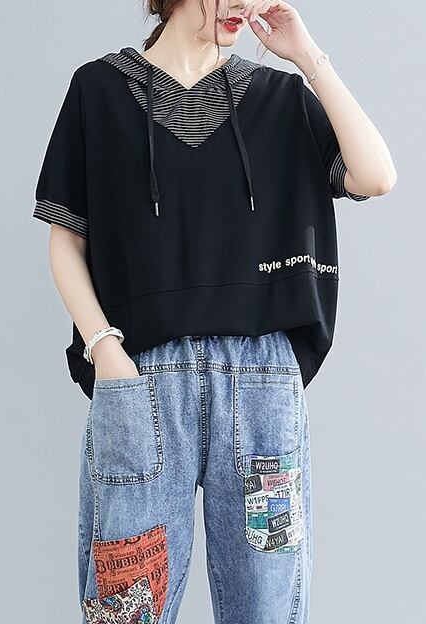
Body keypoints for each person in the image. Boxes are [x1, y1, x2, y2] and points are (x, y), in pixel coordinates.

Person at [32, 1, 397, 622]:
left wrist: (309, 59)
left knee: (266, 608)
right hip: (141, 381)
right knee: (127, 610)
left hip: (260, 390)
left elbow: (376, 175)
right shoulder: (98, 89)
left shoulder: (280, 97)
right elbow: (66, 238)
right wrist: (105, 350)